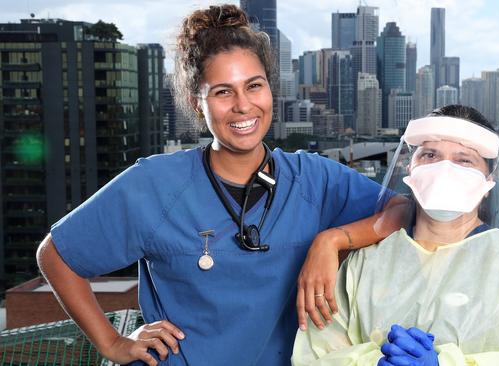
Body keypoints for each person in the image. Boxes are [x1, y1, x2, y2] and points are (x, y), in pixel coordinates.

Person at [36, 4, 402, 365]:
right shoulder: (155, 184)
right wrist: (111, 343)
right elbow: (55, 254)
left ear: (270, 91)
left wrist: (332, 240)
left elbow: (402, 210)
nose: (243, 106)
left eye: (254, 86)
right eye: (223, 92)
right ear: (198, 103)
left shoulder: (316, 179)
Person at [292, 105, 499, 366]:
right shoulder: (362, 267)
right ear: (410, 167)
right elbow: (314, 356)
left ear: (488, 178)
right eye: (430, 155)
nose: (444, 169)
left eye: (464, 160)